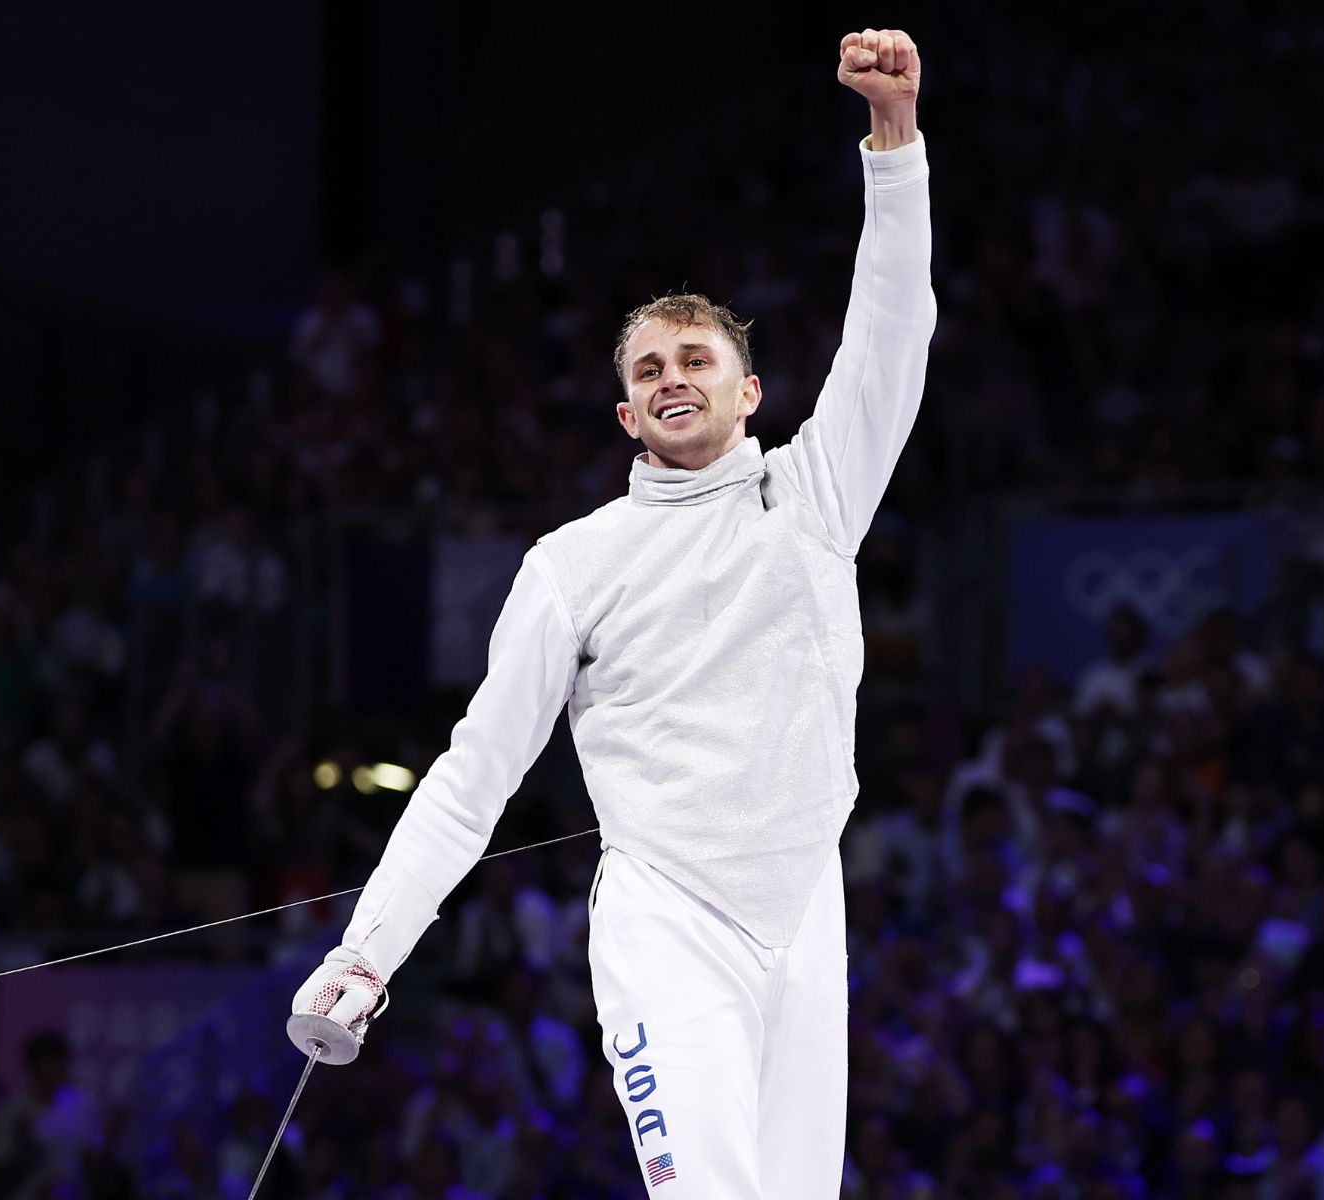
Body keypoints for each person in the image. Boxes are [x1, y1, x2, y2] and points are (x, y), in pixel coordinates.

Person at [291, 27, 933, 1197]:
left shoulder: (816, 492)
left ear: (749, 391)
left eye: (695, 357)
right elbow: (473, 776)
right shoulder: (571, 565)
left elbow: (893, 335)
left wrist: (894, 147)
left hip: (804, 907)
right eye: (647, 369)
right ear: (627, 415)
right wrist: (366, 954)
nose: (672, 375)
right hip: (668, 922)